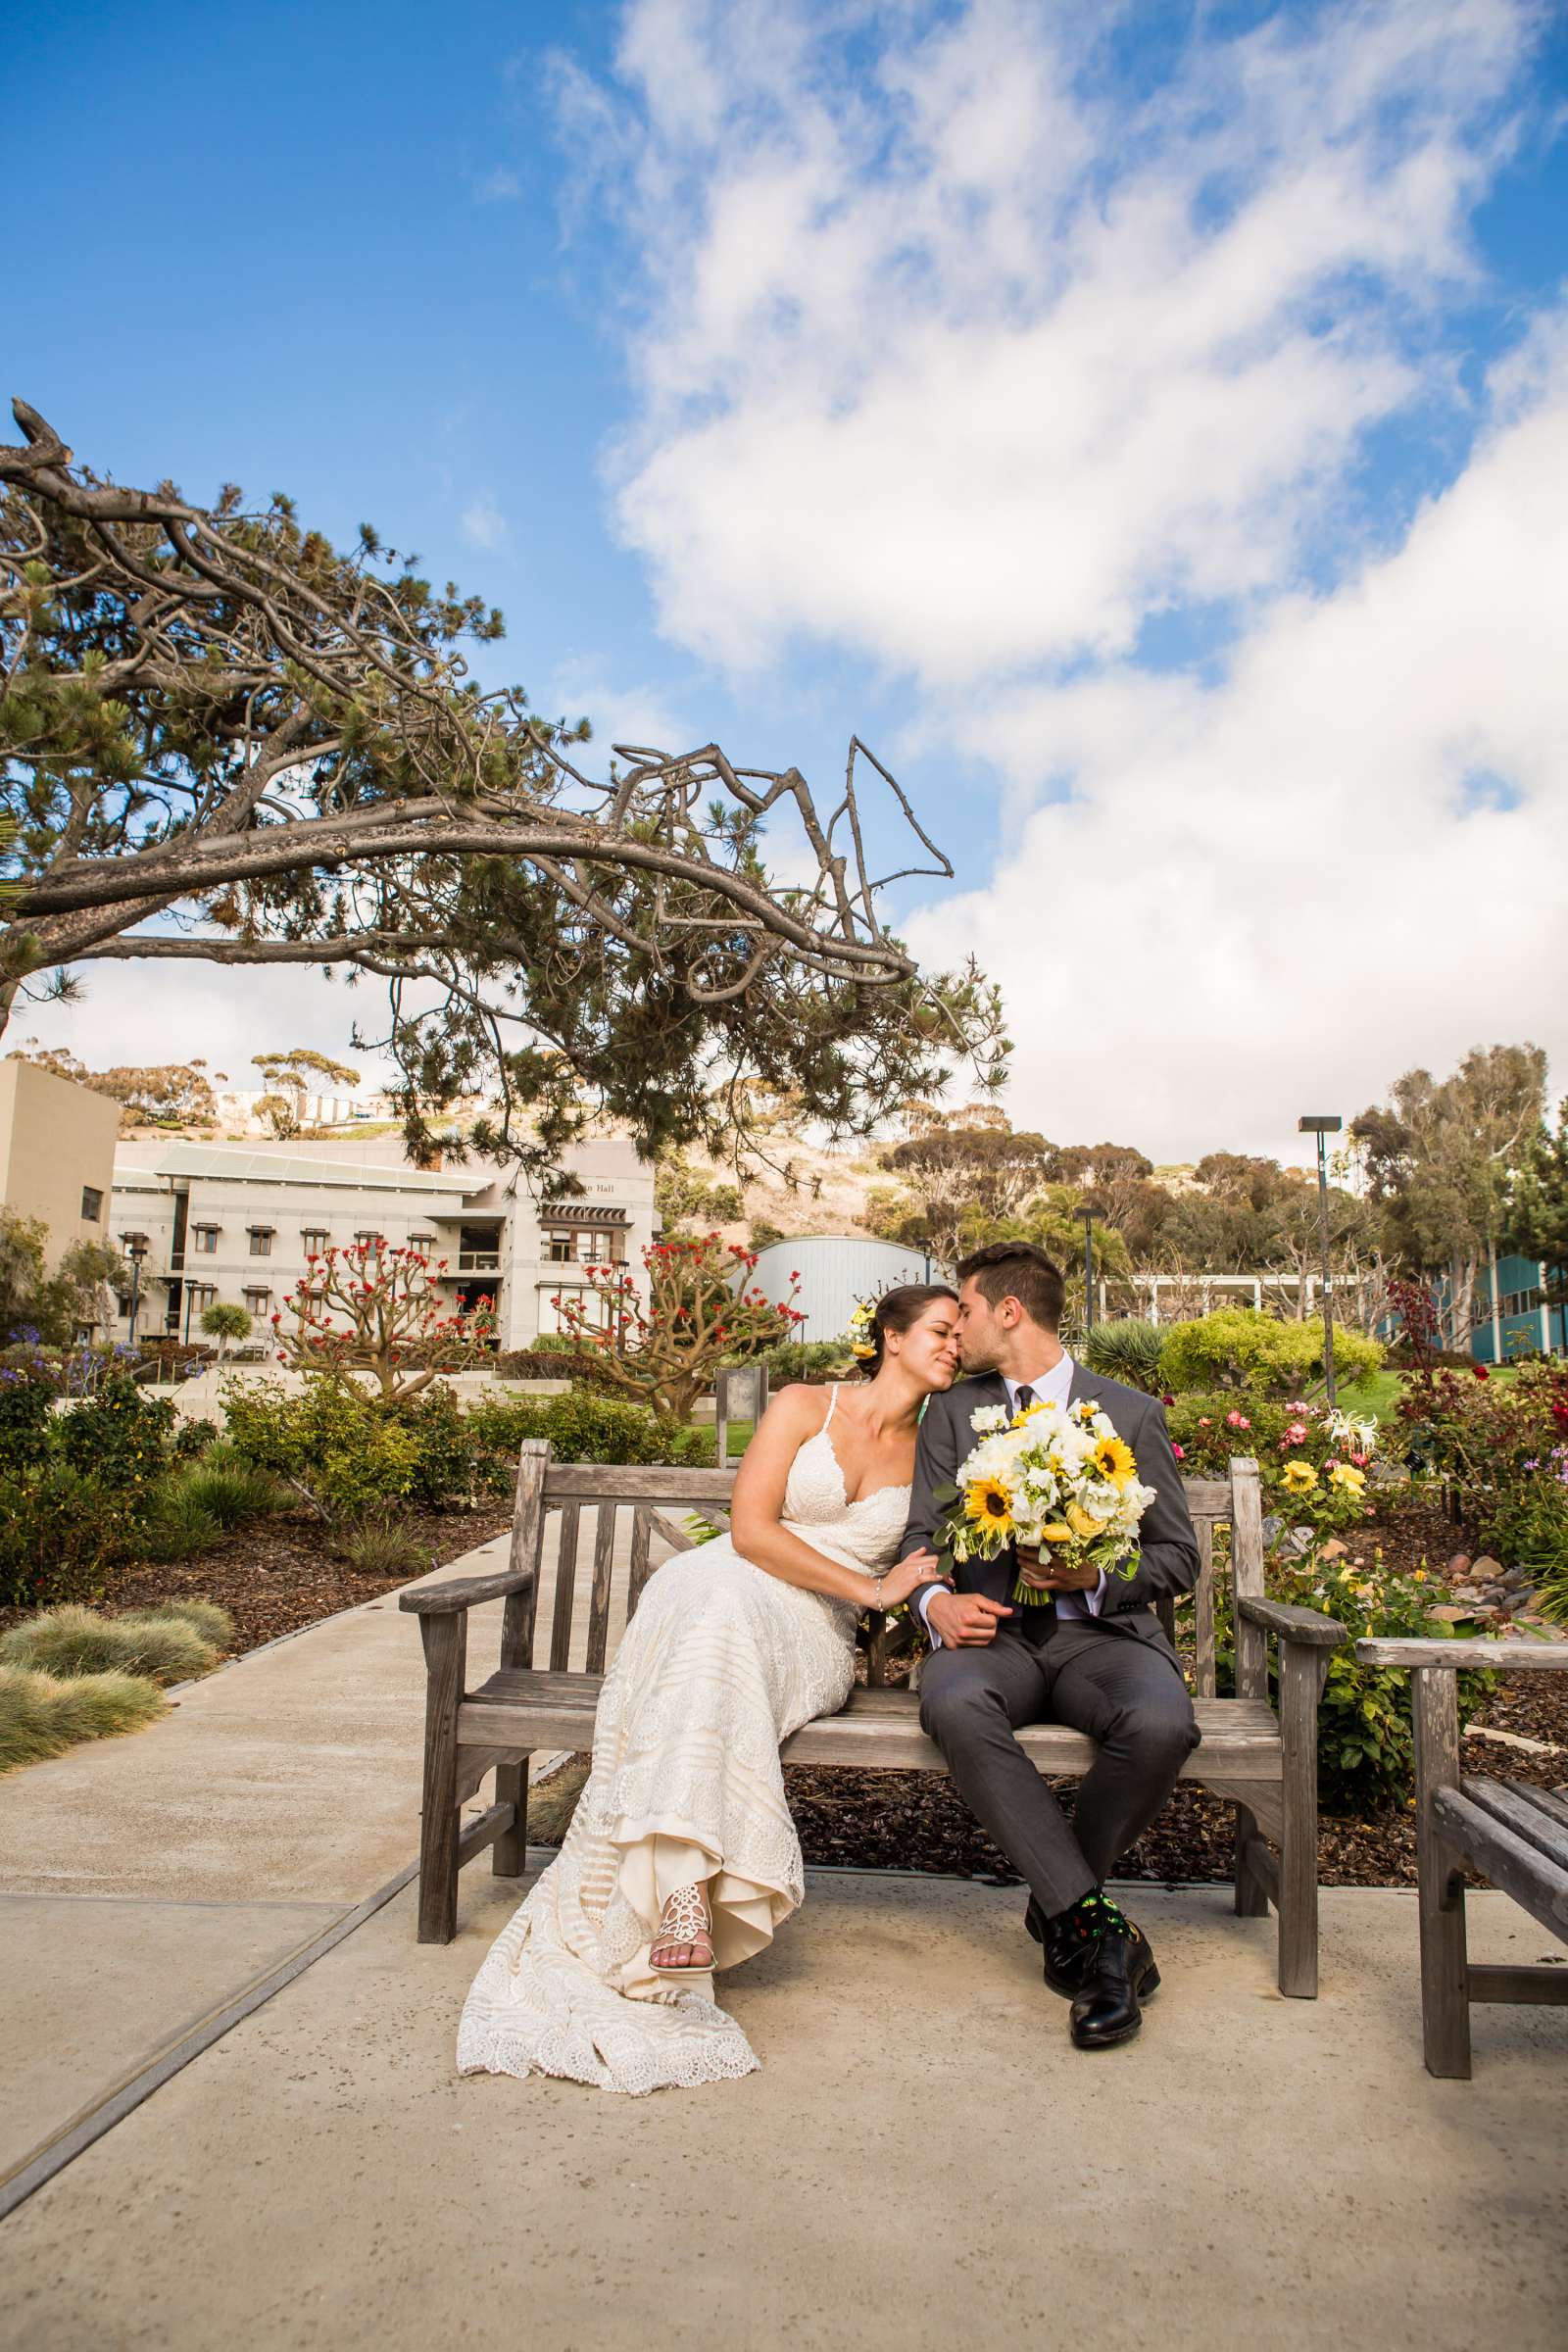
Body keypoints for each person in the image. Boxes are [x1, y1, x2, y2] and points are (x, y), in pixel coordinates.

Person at [458, 1283, 960, 2095]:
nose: (952, 1348)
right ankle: (682, 1891)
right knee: (714, 1616)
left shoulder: (940, 1453)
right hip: (723, 1581)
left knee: (721, 1640)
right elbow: (751, 1528)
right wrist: (874, 1591)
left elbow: (943, 1556)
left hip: (808, 1631)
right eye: (940, 1332)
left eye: (958, 1339)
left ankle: (677, 1877)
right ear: (892, 1337)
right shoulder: (803, 1404)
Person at [901, 1243, 1201, 2051]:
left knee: (1163, 1724)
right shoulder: (955, 1412)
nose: (955, 1327)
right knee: (954, 1702)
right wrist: (935, 1600)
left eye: (963, 1309)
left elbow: (1178, 1557)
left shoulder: (1129, 1412)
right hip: (992, 1638)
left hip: (1102, 1638)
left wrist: (1091, 1574)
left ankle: (1062, 1901)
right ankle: (1104, 1935)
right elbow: (919, 1537)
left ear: (1008, 1311)